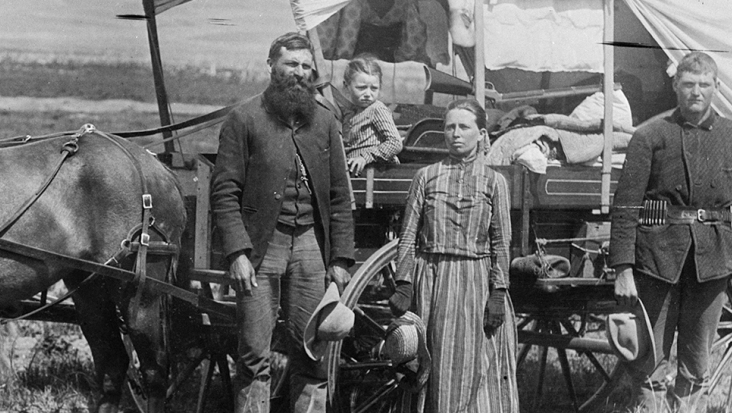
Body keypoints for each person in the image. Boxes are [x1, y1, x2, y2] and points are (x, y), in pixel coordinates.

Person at [593, 51, 732, 412]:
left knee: (696, 363)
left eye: (703, 85)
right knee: (649, 361)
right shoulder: (650, 135)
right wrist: (623, 269)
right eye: (687, 85)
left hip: (712, 262)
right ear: (675, 86)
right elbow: (626, 207)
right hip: (657, 261)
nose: (695, 92)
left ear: (716, 87)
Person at [211, 32, 356, 413]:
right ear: (272, 66)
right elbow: (224, 192)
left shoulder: (324, 122)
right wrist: (238, 253)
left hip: (311, 247)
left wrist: (340, 258)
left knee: (312, 353)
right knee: (254, 356)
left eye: (307, 67)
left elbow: (340, 195)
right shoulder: (244, 119)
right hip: (261, 248)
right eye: (291, 64)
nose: (300, 73)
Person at [387, 98, 520, 413]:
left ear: (482, 133)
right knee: (437, 360)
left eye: (464, 127)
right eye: (449, 127)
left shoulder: (495, 182)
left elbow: (502, 240)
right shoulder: (427, 177)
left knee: (478, 362)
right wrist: (404, 282)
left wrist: (499, 292)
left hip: (476, 281)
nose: (455, 134)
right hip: (434, 281)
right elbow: (408, 233)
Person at [341, 56, 404, 176]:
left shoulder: (376, 108)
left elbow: (395, 142)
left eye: (374, 88)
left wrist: (365, 157)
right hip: (356, 172)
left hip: (377, 171)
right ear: (346, 86)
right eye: (361, 88)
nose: (368, 94)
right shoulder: (350, 112)